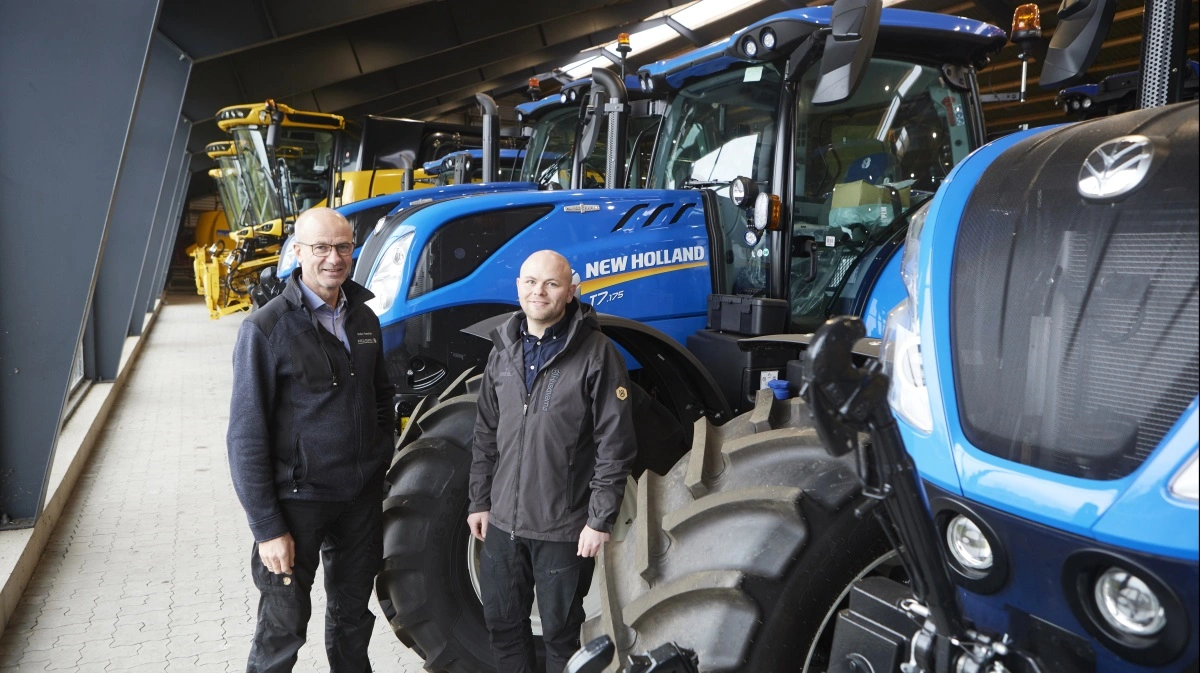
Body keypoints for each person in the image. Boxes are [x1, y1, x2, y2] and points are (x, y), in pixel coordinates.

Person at [227, 207, 395, 673]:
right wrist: (267, 527)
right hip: (296, 503)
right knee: (282, 629)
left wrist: (379, 454)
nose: (334, 258)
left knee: (352, 621)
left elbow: (381, 396)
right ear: (298, 253)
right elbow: (245, 434)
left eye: (343, 247)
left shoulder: (364, 320)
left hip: (358, 499)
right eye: (321, 247)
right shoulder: (265, 329)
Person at [468, 249, 637, 673]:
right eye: (529, 282)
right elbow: (486, 434)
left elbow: (614, 446)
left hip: (563, 528)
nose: (538, 292)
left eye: (551, 284)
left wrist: (599, 520)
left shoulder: (598, 354)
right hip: (503, 523)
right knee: (503, 628)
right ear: (518, 288)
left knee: (562, 635)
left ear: (571, 291)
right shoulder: (502, 350)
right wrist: (479, 501)